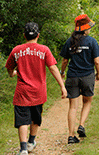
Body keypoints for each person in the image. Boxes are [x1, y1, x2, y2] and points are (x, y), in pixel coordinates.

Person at [5, 22, 67, 155]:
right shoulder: (44, 50)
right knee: (36, 118)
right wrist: (62, 86)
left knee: (22, 120)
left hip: (22, 92)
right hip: (38, 92)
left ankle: (23, 149)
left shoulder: (16, 50)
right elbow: (53, 68)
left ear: (24, 36)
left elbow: (9, 67)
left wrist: (12, 74)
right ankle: (31, 142)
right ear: (38, 35)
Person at [59, 14, 99, 144]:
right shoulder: (92, 41)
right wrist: (98, 74)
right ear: (85, 29)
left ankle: (71, 136)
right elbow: (97, 61)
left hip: (72, 76)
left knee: (73, 107)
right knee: (87, 102)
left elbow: (65, 60)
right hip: (87, 75)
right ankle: (81, 125)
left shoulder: (69, 41)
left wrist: (62, 72)